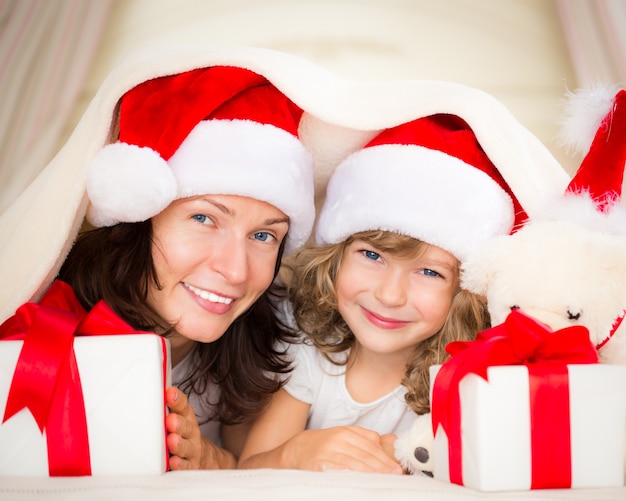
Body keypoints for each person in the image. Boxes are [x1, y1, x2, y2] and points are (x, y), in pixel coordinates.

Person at [56, 65, 315, 469]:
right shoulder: (44, 320)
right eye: (203, 219)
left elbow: (245, 462)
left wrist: (211, 460)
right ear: (137, 221)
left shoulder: (267, 337)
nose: (235, 271)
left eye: (264, 236)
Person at [237, 113, 528, 473]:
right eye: (372, 255)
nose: (391, 296)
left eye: (429, 272)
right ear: (335, 258)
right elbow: (250, 469)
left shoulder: (467, 380)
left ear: (462, 292)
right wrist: (296, 452)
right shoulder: (307, 352)